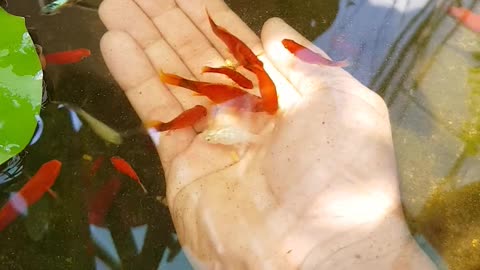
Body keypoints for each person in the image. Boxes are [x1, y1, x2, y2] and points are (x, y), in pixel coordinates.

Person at [98, 0, 437, 269]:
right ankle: (189, 84)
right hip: (234, 93)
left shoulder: (248, 100)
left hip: (236, 95)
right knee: (208, 82)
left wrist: (342, 249)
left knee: (209, 82)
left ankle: (188, 86)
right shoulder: (242, 96)